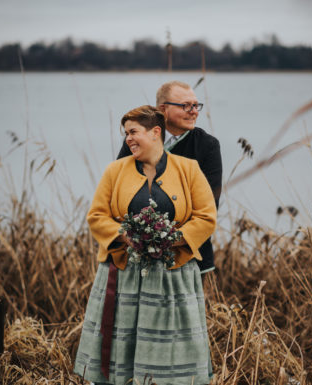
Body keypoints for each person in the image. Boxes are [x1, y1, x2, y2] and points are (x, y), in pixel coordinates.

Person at [74, 105, 217, 384]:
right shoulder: (115, 170)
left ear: (155, 132)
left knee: (171, 344)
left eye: (133, 132)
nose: (128, 139)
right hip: (124, 272)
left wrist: (173, 239)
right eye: (126, 133)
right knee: (120, 343)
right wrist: (124, 235)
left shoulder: (189, 169)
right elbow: (96, 215)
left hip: (173, 275)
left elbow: (206, 217)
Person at [118, 81, 222, 276]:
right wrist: (137, 236)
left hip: (190, 256)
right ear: (163, 110)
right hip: (136, 256)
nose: (194, 111)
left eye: (196, 105)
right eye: (185, 106)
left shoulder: (207, 146)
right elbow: (120, 192)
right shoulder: (136, 140)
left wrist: (167, 239)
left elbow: (210, 206)